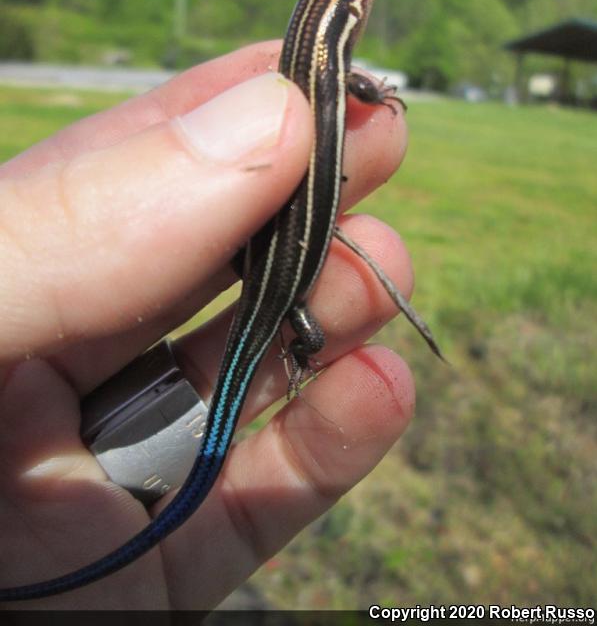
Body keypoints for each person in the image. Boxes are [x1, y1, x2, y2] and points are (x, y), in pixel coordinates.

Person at [0, 41, 416, 609]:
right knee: (305, 338)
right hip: (278, 293)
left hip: (267, 284)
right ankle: (295, 357)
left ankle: (291, 353)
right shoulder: (330, 72)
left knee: (293, 337)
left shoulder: (309, 65)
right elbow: (362, 94)